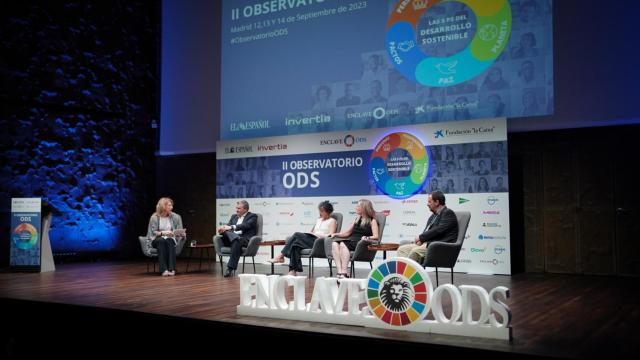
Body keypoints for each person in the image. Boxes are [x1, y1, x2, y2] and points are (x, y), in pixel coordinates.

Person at [267, 201, 337, 276]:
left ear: (328, 211)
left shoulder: (332, 221)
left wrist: (317, 234)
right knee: (295, 245)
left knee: (297, 234)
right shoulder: (318, 220)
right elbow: (313, 231)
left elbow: (330, 236)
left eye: (322, 211)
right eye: (320, 211)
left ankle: (280, 256)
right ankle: (293, 271)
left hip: (320, 243)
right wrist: (311, 233)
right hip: (312, 239)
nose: (320, 213)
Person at [396, 190, 458, 263]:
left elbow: (438, 230)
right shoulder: (434, 215)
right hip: (428, 244)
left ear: (437, 202)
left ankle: (410, 273)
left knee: (415, 251)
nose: (427, 204)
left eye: (429, 202)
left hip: (439, 246)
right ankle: (401, 273)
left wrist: (420, 237)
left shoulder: (448, 213)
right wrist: (421, 240)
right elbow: (429, 231)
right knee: (402, 249)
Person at [328, 199, 379, 279]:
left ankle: (344, 272)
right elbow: (347, 233)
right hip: (351, 240)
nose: (356, 208)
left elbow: (376, 236)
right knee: (334, 243)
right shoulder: (357, 219)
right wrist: (335, 234)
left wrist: (368, 237)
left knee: (342, 244)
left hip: (361, 243)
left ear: (364, 208)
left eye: (358, 206)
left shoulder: (373, 221)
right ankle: (340, 271)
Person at [216, 200, 258, 277]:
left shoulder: (253, 216)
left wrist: (231, 227)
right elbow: (228, 226)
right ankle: (234, 237)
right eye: (236, 208)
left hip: (244, 240)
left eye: (239, 208)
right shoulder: (233, 216)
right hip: (231, 239)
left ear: (245, 209)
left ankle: (230, 268)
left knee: (237, 240)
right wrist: (223, 229)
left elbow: (246, 225)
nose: (236, 210)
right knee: (227, 233)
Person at [146, 197, 185, 276]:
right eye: (169, 205)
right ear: (163, 206)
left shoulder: (176, 217)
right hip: (156, 239)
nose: (172, 207)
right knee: (161, 241)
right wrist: (164, 233)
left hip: (170, 238)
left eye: (171, 205)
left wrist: (181, 234)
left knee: (169, 240)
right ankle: (164, 269)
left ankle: (172, 269)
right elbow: (153, 232)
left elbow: (178, 230)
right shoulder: (154, 217)